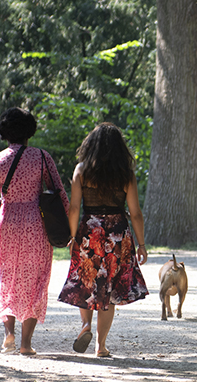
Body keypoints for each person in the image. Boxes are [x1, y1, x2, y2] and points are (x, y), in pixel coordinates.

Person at [0, 107, 69, 355]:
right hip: (36, 224)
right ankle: (26, 344)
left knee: (5, 277)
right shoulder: (42, 157)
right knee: (36, 279)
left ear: (4, 132)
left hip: (6, 223)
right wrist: (68, 227)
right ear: (29, 130)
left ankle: (8, 334)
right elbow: (60, 193)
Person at [58, 122, 149, 357]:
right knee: (109, 289)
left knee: (85, 283)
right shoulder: (125, 174)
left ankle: (85, 326)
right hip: (118, 235)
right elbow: (136, 212)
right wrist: (141, 244)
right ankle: (101, 346)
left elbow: (75, 207)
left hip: (89, 232)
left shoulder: (81, 170)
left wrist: (71, 236)